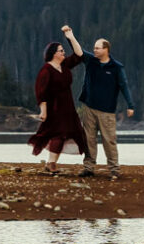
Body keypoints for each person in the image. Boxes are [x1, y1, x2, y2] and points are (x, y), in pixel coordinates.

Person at [60, 25, 137, 177]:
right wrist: (70, 37)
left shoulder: (116, 67)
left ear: (106, 49)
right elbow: (79, 51)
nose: (94, 50)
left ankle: (114, 169)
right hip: (89, 107)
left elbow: (124, 86)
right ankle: (89, 168)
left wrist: (130, 105)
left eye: (97, 48)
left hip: (107, 111)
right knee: (88, 138)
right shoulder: (91, 61)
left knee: (109, 141)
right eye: (94, 48)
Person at [27, 39, 89, 172]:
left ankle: (51, 163)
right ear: (53, 54)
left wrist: (70, 36)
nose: (64, 52)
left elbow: (79, 54)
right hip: (54, 108)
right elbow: (41, 93)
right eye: (61, 51)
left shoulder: (64, 65)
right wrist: (43, 111)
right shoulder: (46, 70)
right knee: (58, 134)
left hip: (68, 107)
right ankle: (51, 163)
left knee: (70, 133)